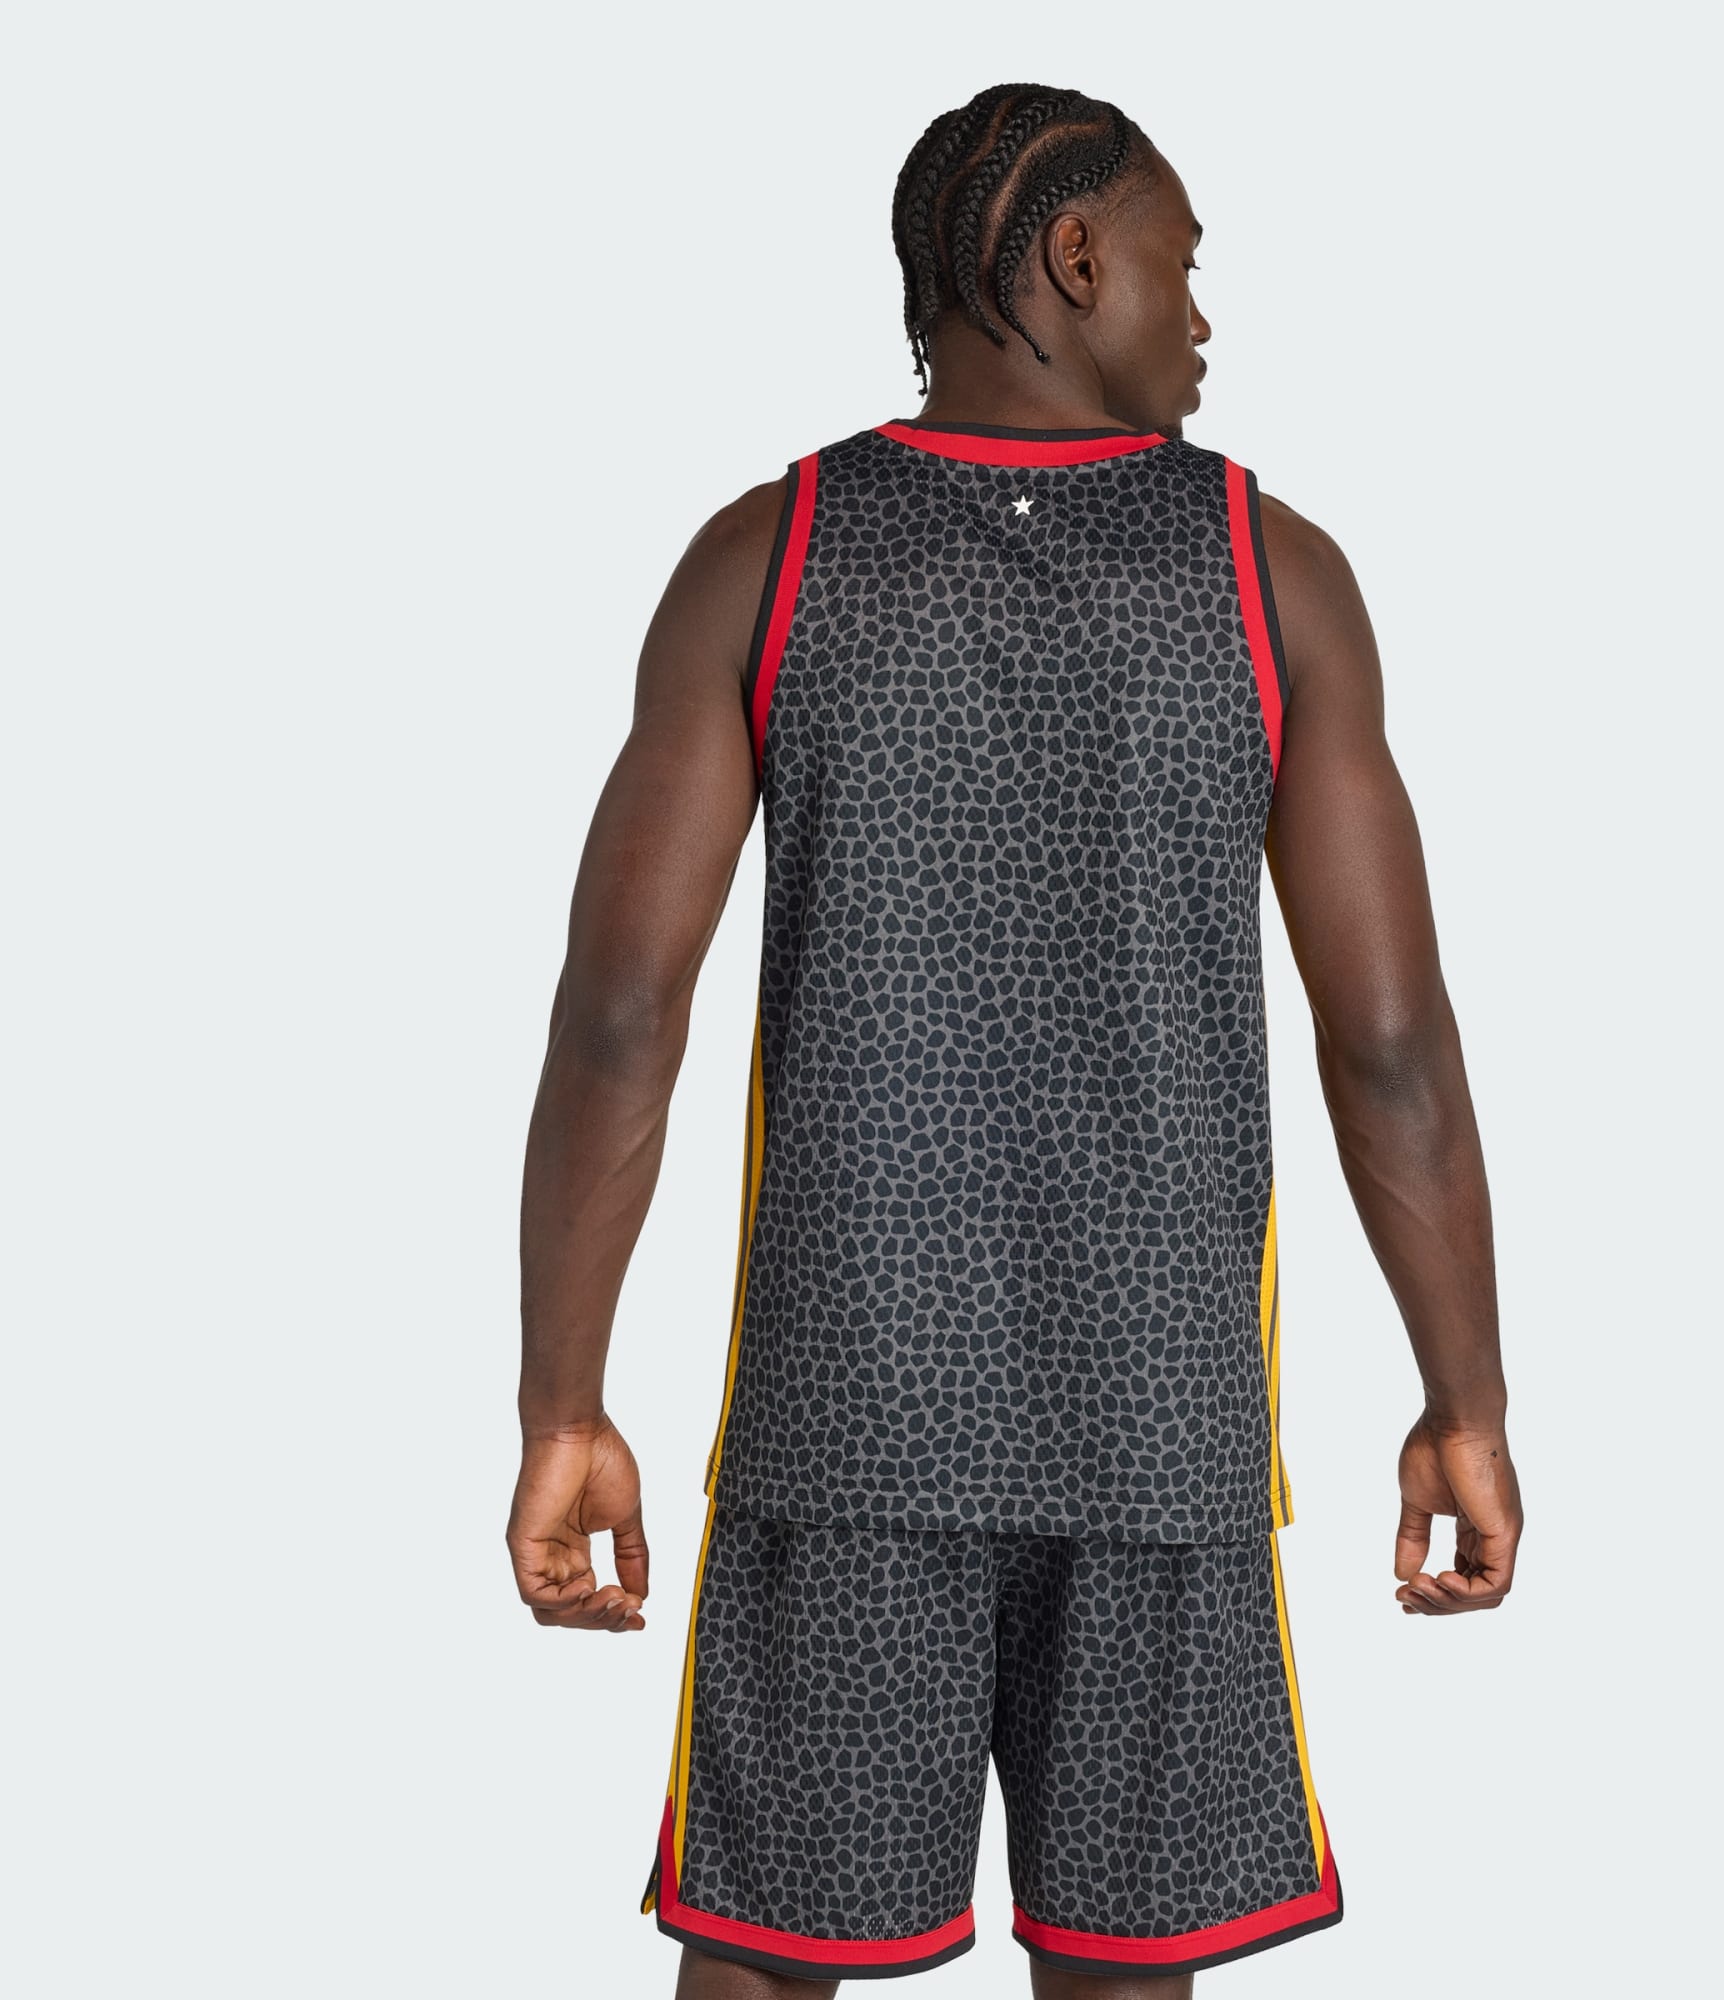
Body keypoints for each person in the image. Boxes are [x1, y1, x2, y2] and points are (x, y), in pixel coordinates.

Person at [508, 81, 1523, 1999]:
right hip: (1164, 1428)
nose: (1203, 317)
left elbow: (619, 1016)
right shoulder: (1271, 576)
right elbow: (1391, 1047)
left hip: (846, 1417)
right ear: (1072, 259)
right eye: (1180, 265)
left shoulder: (771, 555)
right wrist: (1465, 1404)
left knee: (762, 1956)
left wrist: (563, 1413)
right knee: (1133, 1969)